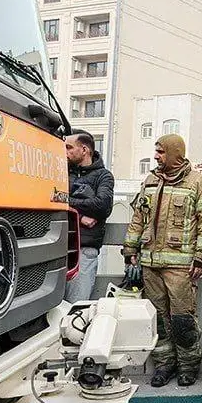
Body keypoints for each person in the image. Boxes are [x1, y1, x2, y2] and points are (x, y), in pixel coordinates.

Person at [122, 134, 202, 388]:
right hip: (150, 264)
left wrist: (201, 257)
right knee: (157, 320)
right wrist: (130, 249)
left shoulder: (199, 183)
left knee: (182, 320)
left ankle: (188, 366)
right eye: (156, 151)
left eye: (161, 152)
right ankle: (164, 365)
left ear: (175, 153)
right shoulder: (150, 180)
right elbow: (138, 218)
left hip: (181, 266)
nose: (156, 156)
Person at [65, 129, 114, 304]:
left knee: (76, 306)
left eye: (69, 147)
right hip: (57, 248)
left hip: (84, 251)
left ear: (84, 150)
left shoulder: (103, 175)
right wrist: (79, 216)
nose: (65, 151)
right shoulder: (61, 171)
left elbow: (102, 206)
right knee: (50, 310)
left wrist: (66, 201)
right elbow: (48, 200)